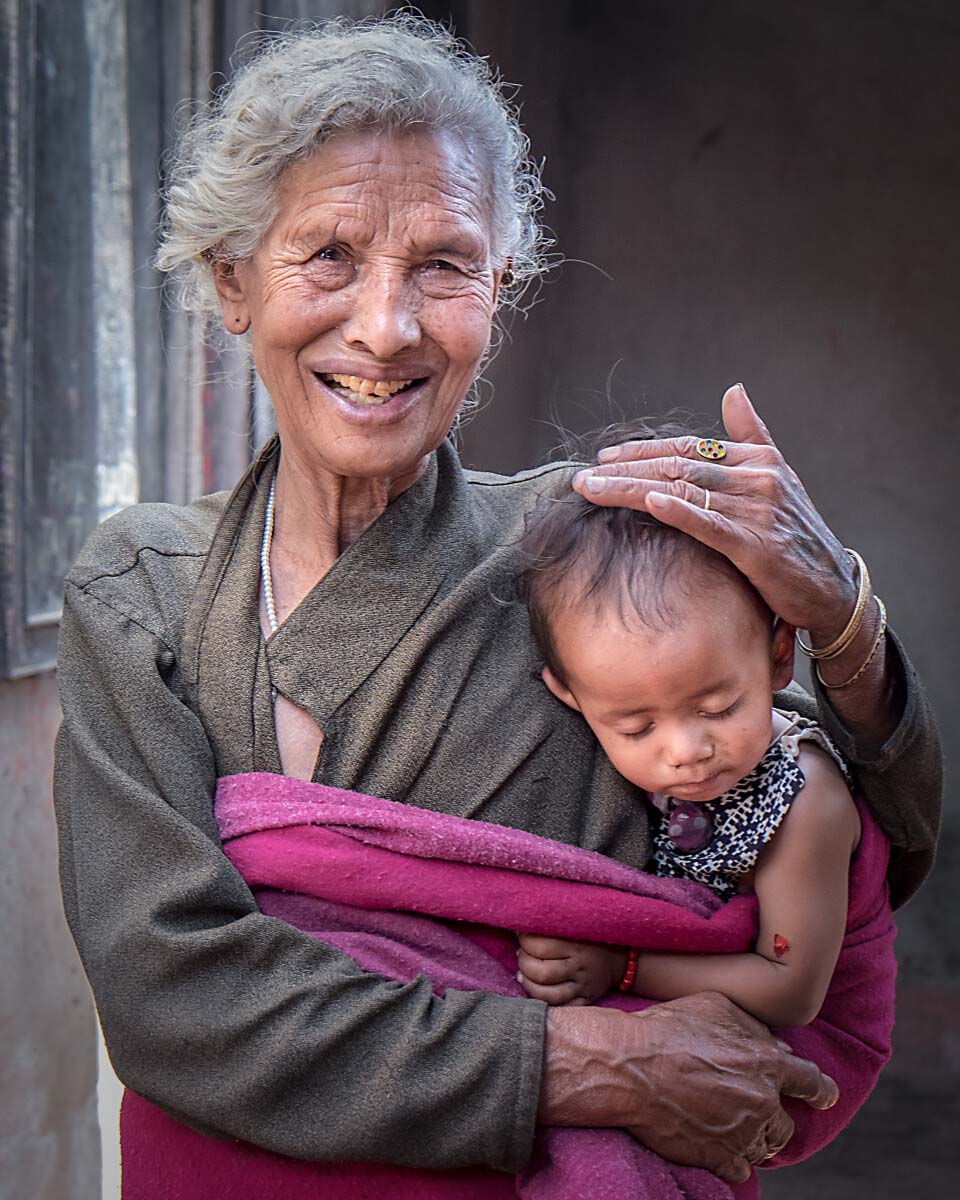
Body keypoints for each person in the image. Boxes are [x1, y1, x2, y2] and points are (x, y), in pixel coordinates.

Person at [53, 13, 941, 1193]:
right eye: (326, 254)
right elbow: (172, 996)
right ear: (231, 282)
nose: (386, 325)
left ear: (500, 289)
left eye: (443, 263)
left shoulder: (591, 559)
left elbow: (865, 825)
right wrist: (587, 1058)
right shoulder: (143, 589)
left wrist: (839, 619)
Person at [514, 485, 873, 1030]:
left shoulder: (804, 801)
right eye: (638, 727)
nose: (686, 753)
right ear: (572, 699)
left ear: (778, 659)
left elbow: (793, 990)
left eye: (720, 708)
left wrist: (622, 967)